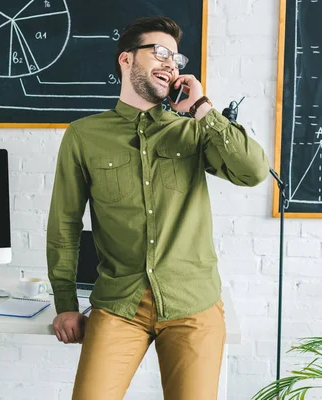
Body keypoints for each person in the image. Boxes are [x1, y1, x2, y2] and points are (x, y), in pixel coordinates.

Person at [46, 16, 269, 400]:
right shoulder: (83, 136)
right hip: (119, 305)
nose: (170, 63)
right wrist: (66, 304)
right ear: (126, 60)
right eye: (159, 53)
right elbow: (64, 224)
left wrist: (201, 107)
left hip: (192, 305)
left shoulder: (195, 130)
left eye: (176, 58)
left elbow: (254, 172)